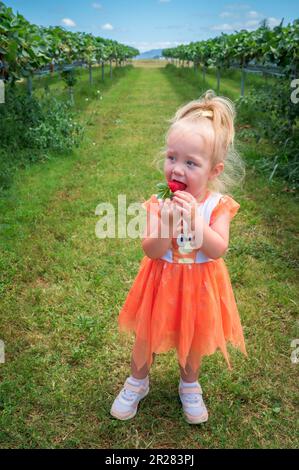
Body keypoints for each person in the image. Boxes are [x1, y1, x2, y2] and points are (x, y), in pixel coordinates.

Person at [110, 89, 248, 424]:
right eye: (172, 158)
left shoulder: (217, 206)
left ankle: (189, 384)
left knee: (192, 337)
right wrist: (168, 222)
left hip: (199, 284)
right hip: (161, 280)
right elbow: (151, 250)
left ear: (214, 170)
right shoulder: (160, 202)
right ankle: (137, 381)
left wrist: (197, 223)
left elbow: (217, 249)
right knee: (147, 335)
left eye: (191, 163)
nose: (177, 169)